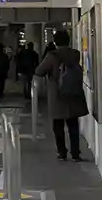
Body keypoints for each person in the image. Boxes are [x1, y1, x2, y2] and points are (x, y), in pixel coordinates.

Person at [34, 29, 90, 161]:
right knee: (73, 125)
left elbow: (39, 71)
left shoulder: (52, 55)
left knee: (58, 126)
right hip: (74, 94)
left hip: (57, 95)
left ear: (55, 41)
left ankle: (62, 152)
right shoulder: (75, 54)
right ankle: (76, 153)